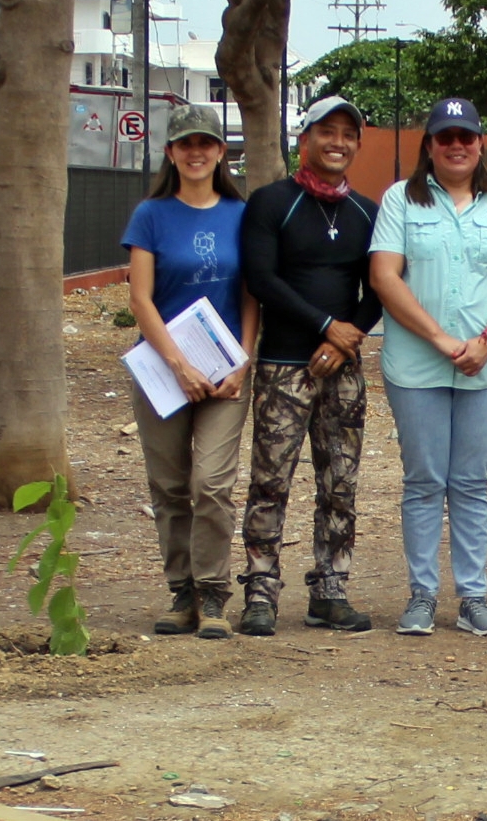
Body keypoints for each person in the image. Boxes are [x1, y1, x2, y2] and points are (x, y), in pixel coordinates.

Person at [369, 97, 487, 637]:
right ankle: (421, 595)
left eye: (466, 136)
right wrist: (438, 338)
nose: (457, 146)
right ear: (430, 146)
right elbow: (385, 276)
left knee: (471, 481)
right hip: (416, 364)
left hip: (484, 366)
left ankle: (473, 597)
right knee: (423, 480)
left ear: (480, 144)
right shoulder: (401, 199)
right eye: (446, 137)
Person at [236, 95, 381, 636]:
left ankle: (330, 590)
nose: (337, 142)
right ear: (305, 140)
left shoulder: (366, 212)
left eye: (348, 134)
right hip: (283, 366)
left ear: (356, 145)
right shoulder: (272, 202)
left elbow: (380, 286)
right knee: (270, 482)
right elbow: (261, 278)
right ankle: (260, 592)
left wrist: (346, 339)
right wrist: (324, 325)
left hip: (342, 370)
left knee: (339, 484)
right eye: (327, 131)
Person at [122, 105, 259, 641]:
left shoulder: (240, 214)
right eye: (186, 144)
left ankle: (213, 592)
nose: (196, 153)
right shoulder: (151, 215)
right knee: (171, 485)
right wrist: (177, 365)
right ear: (171, 152)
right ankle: (182, 593)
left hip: (225, 373)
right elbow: (140, 298)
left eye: (206, 143)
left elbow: (250, 294)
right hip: (163, 370)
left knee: (213, 483)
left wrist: (244, 359)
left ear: (221, 151)